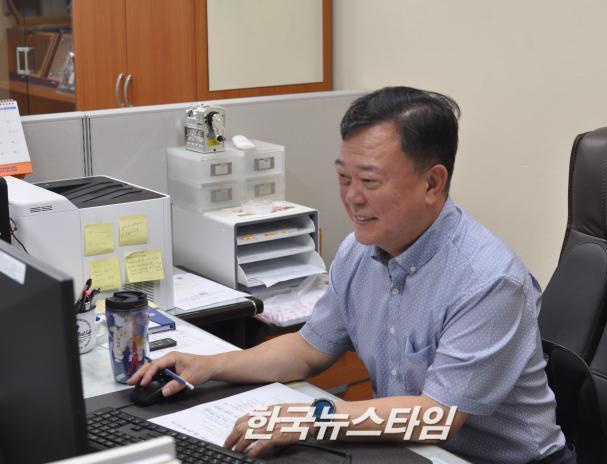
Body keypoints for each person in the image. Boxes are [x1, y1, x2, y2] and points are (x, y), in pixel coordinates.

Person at [130, 86, 574, 464]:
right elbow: (307, 350)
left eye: (371, 181)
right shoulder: (358, 251)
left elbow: (437, 417)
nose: (352, 198)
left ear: (432, 183)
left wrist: (311, 419)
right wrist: (208, 366)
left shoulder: (489, 281)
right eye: (344, 177)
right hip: (411, 452)